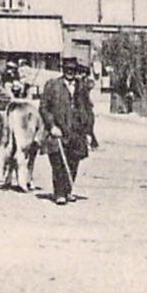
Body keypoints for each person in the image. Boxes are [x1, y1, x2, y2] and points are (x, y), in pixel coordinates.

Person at [39, 72, 88, 205]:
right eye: (67, 69)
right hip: (58, 130)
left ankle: (68, 190)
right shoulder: (53, 85)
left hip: (76, 131)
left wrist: (88, 129)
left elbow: (87, 107)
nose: (70, 73)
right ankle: (59, 193)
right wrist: (52, 126)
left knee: (74, 161)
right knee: (57, 161)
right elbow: (43, 108)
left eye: (73, 69)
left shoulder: (81, 87)